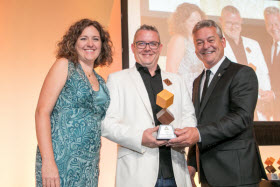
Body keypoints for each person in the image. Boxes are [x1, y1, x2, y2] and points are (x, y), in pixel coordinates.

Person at [168, 20, 267, 187]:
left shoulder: (242, 73)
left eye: (211, 40)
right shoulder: (197, 81)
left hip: (237, 174)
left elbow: (241, 118)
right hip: (208, 176)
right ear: (195, 48)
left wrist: (197, 133)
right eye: (199, 42)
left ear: (223, 42)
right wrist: (192, 164)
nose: (206, 46)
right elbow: (197, 124)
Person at [102, 25, 197, 187]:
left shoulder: (177, 81)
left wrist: (181, 135)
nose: (147, 48)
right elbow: (107, 124)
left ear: (160, 48)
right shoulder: (117, 80)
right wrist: (140, 137)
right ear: (133, 47)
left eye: (153, 44)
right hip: (137, 173)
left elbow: (189, 116)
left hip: (175, 172)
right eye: (141, 44)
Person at [35, 18, 113, 187]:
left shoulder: (102, 81)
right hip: (59, 161)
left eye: (96, 39)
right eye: (83, 38)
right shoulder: (64, 66)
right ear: (73, 43)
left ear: (102, 44)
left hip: (89, 166)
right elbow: (42, 112)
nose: (90, 43)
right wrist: (48, 162)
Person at [219, 5, 274, 121]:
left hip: (257, 106)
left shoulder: (253, 44)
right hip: (231, 108)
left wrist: (265, 94)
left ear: (241, 22)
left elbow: (264, 73)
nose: (233, 27)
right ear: (221, 21)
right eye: (229, 23)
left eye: (236, 23)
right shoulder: (216, 46)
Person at [166, 3, 205, 94]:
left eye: (199, 20)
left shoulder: (201, 41)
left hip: (199, 92)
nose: (197, 24)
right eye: (192, 20)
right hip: (183, 92)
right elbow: (170, 71)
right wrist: (168, 98)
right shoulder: (179, 39)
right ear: (182, 22)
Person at [264, 6, 280, 121]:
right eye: (269, 24)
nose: (273, 28)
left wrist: (275, 95)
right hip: (272, 111)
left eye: (276, 23)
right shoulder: (267, 47)